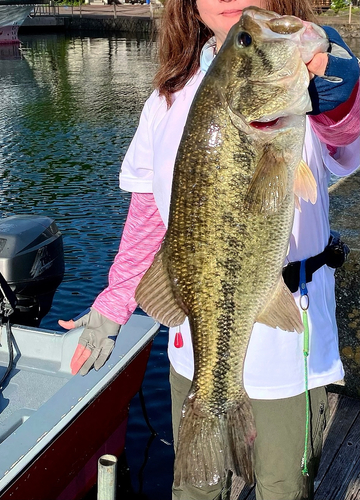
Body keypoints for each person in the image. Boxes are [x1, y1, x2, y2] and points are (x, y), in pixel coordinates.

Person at [59, 0, 360, 498]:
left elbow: (344, 139)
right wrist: (113, 307)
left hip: (291, 338)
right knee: (196, 488)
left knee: (284, 483)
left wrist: (338, 90)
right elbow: (148, 219)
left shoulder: (307, 98)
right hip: (194, 345)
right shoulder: (166, 101)